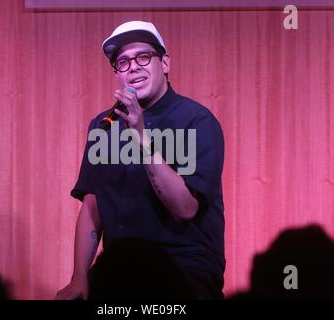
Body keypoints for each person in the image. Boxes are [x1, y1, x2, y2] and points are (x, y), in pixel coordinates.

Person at [56, 21, 225, 300]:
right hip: (120, 265)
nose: (133, 67)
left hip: (183, 266)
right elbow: (93, 205)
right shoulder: (104, 125)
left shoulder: (196, 121)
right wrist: (78, 277)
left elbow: (185, 209)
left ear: (166, 63)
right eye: (122, 62)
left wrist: (140, 134)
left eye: (143, 57)